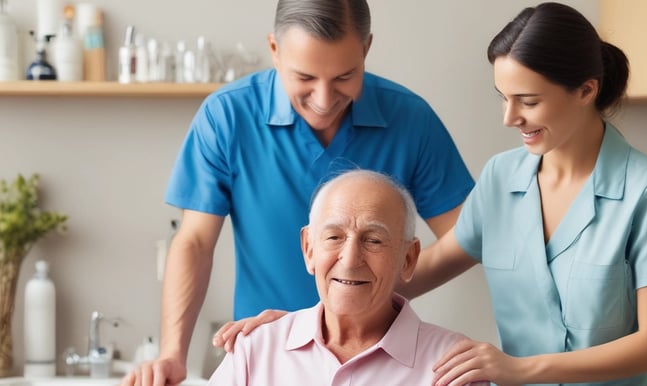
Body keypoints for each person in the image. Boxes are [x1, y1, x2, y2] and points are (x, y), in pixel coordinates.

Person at [120, 0, 473, 385]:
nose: (323, 99)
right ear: (274, 49)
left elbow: (468, 236)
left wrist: (358, 293)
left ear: (367, 49)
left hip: (380, 355)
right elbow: (195, 243)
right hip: (268, 358)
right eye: (304, 77)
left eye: (344, 77)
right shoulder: (227, 115)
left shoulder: (411, 119)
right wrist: (174, 353)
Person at [407, 3, 647, 386]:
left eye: (528, 102)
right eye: (504, 97)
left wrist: (522, 369)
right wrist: (341, 286)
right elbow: (423, 272)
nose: (509, 118)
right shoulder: (500, 178)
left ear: (586, 90)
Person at [207, 170, 487, 385]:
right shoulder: (255, 349)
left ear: (408, 258)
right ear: (309, 249)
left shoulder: (455, 366)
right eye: (333, 237)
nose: (350, 259)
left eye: (374, 240)